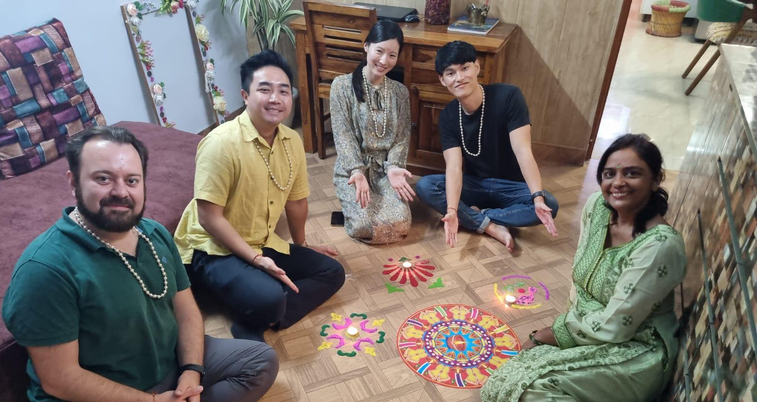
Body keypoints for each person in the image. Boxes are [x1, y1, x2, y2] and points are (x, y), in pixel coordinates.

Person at [2, 126, 279, 402]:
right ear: (73, 181)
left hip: (165, 366)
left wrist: (191, 373)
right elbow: (60, 380)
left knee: (260, 361)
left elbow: (186, 310)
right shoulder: (45, 269)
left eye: (132, 179)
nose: (121, 191)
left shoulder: (152, 234)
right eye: (103, 178)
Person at [481, 134, 686, 402]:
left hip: (637, 354)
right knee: (501, 384)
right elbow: (582, 288)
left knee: (530, 391)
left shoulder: (659, 246)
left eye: (632, 173)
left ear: (656, 179)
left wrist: (553, 333)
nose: (617, 183)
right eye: (609, 173)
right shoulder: (597, 207)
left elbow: (617, 327)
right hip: (592, 333)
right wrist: (565, 329)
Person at [174, 50, 346, 339]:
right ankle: (254, 310)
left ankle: (261, 316)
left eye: (283, 91)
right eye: (264, 89)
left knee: (332, 272)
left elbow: (296, 201)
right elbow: (208, 218)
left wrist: (302, 244)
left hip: (262, 241)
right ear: (245, 95)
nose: (275, 99)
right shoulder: (220, 143)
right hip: (213, 250)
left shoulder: (292, 141)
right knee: (270, 297)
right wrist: (256, 260)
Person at [415, 40, 559, 251]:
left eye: (465, 68)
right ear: (442, 79)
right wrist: (453, 210)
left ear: (477, 67)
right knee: (425, 186)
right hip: (476, 184)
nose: (459, 78)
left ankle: (476, 216)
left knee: (550, 204)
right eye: (450, 73)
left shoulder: (509, 96)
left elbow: (523, 151)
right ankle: (490, 225)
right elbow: (454, 168)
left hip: (510, 187)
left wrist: (537, 197)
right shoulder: (448, 116)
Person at [330, 20, 414, 244]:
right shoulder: (341, 86)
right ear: (366, 46)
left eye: (392, 55)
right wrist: (356, 170)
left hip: (386, 169)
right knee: (363, 225)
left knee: (402, 223)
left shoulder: (400, 92)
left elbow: (402, 137)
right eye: (379, 51)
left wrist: (395, 166)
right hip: (353, 171)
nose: (384, 61)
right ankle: (351, 204)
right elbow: (343, 134)